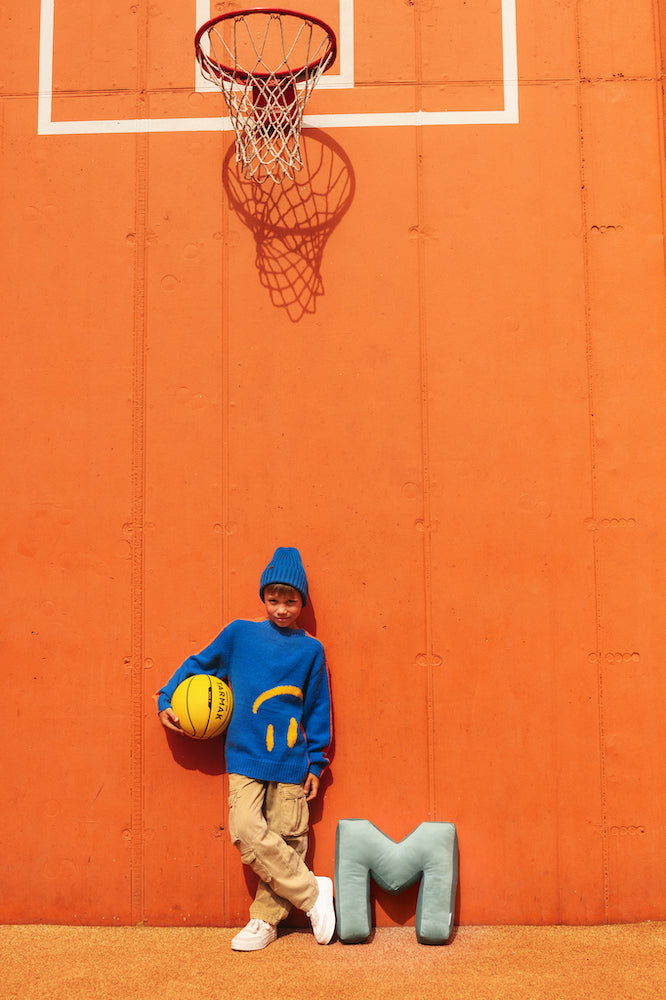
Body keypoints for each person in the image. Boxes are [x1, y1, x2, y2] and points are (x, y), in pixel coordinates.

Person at [157, 546, 335, 951]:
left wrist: (316, 761)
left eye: (290, 600)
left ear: (302, 601)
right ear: (264, 598)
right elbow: (199, 665)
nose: (282, 609)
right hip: (244, 754)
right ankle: (312, 893)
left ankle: (264, 921)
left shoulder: (311, 650)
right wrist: (167, 698)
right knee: (246, 830)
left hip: (291, 760)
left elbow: (318, 706)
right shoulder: (239, 634)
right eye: (274, 600)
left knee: (287, 837)